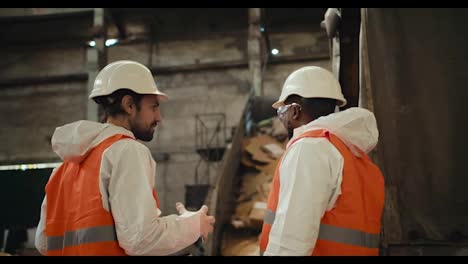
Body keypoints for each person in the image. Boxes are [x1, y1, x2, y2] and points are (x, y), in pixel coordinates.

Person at [34, 60, 215, 256]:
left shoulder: (64, 168)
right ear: (129, 105)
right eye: (153, 107)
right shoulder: (126, 151)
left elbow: (42, 243)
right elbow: (140, 239)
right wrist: (193, 225)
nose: (159, 117)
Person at [259, 66, 385, 256]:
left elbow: (291, 239)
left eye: (281, 112)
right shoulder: (351, 153)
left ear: (295, 111)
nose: (281, 119)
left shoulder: (308, 149)